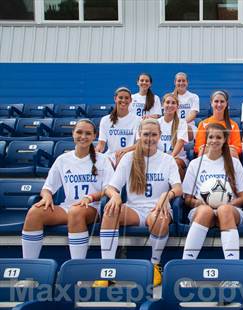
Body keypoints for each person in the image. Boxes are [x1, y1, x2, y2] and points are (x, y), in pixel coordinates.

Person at [100, 118, 182, 286]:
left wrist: (166, 195)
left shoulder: (167, 160)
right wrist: (115, 195)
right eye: (146, 134)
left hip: (157, 209)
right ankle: (107, 270)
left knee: (158, 219)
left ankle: (155, 264)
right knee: (110, 211)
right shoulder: (129, 158)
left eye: (153, 134)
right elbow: (110, 186)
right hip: (134, 210)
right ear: (139, 135)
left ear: (159, 136)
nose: (149, 138)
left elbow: (178, 188)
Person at [22, 119, 113, 260]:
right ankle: (28, 271)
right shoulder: (63, 160)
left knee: (76, 211)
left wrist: (90, 197)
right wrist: (47, 197)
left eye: (88, 133)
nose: (83, 136)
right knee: (35, 212)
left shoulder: (103, 160)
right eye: (79, 132)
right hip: (68, 208)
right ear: (73, 134)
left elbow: (109, 189)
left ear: (94, 136)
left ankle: (77, 270)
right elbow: (47, 188)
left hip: (93, 209)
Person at [182, 123, 243, 260]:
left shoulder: (234, 163)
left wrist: (228, 205)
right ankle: (187, 264)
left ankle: (232, 269)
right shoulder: (195, 164)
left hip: (231, 210)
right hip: (202, 210)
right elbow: (187, 198)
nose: (214, 140)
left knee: (224, 210)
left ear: (225, 140)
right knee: (206, 211)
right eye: (211, 137)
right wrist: (199, 203)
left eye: (218, 137)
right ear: (206, 139)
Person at [96, 87, 140, 167]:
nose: (123, 100)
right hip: (111, 157)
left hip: (130, 156)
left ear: (130, 100)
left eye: (126, 98)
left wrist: (124, 151)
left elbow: (139, 144)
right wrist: (96, 153)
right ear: (115, 99)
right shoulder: (105, 120)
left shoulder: (137, 120)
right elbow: (101, 144)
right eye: (120, 97)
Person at [194, 90, 242, 158]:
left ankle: (230, 169)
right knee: (203, 150)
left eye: (222, 101)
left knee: (232, 152)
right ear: (211, 103)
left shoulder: (233, 125)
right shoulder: (203, 124)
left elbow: (237, 148)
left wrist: (221, 149)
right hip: (209, 155)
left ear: (226, 104)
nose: (219, 104)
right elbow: (198, 147)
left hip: (227, 156)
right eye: (216, 101)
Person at [158, 93, 189, 180]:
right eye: (167, 102)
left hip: (177, 157)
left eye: (173, 103)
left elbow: (180, 141)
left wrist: (170, 158)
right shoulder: (156, 122)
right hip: (159, 157)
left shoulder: (181, 123)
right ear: (162, 104)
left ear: (177, 106)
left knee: (174, 163)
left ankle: (181, 192)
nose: (170, 105)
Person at [173, 72, 200, 141]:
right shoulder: (170, 96)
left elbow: (193, 114)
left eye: (183, 81)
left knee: (185, 129)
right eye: (179, 81)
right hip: (173, 126)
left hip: (189, 127)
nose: (181, 83)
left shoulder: (194, 96)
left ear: (187, 82)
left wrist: (181, 124)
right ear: (175, 82)